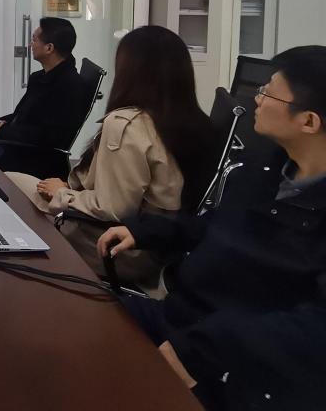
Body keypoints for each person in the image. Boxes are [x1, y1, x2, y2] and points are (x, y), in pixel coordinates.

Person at [98, 46, 326, 410]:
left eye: (268, 93)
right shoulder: (264, 166)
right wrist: (146, 231)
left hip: (234, 363)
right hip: (181, 318)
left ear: (309, 122)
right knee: (78, 318)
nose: (256, 98)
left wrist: (203, 349)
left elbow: (313, 328)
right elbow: (212, 225)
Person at [6, 25, 216, 287]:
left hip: (118, 247)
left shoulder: (127, 125)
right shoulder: (191, 120)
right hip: (157, 244)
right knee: (13, 180)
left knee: (7, 185)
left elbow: (113, 209)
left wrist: (63, 193)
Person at [0, 17, 90, 176]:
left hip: (31, 159)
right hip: (10, 146)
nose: (30, 45)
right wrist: (2, 122)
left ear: (49, 48)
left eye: (34, 40)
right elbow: (22, 115)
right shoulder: (39, 78)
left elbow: (50, 137)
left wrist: (5, 131)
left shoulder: (70, 86)